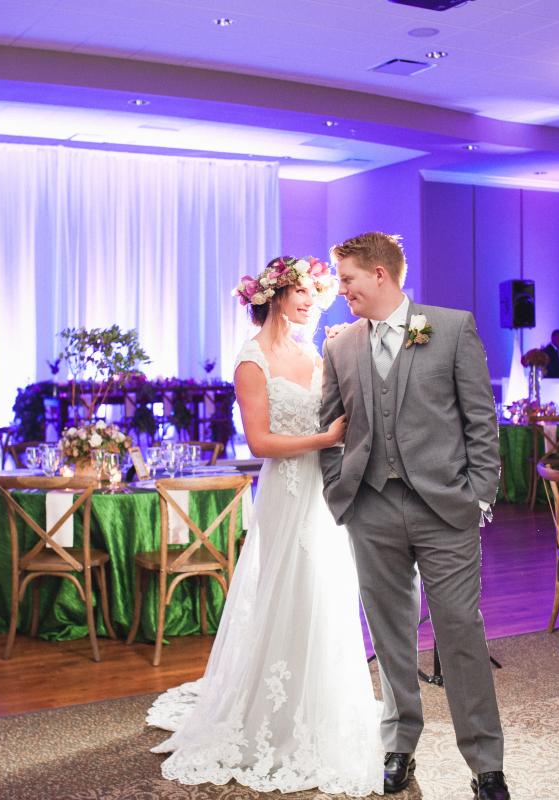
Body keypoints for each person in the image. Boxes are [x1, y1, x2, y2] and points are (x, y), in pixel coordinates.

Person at [147, 255, 383, 797]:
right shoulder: (252, 360)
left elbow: (341, 410)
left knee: (325, 590)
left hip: (324, 491)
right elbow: (259, 444)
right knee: (288, 589)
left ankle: (322, 701)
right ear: (274, 295)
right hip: (285, 491)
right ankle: (268, 714)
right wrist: (326, 440)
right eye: (300, 291)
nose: (309, 301)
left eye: (314, 293)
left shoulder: (315, 352)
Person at [320, 232, 509, 800]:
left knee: (461, 631)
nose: (341, 290)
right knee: (389, 633)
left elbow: (481, 420)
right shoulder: (341, 345)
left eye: (348, 279)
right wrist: (341, 488)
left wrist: (478, 494)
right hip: (370, 510)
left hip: (444, 509)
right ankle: (398, 746)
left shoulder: (449, 327)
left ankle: (486, 765)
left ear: (381, 274)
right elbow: (332, 430)